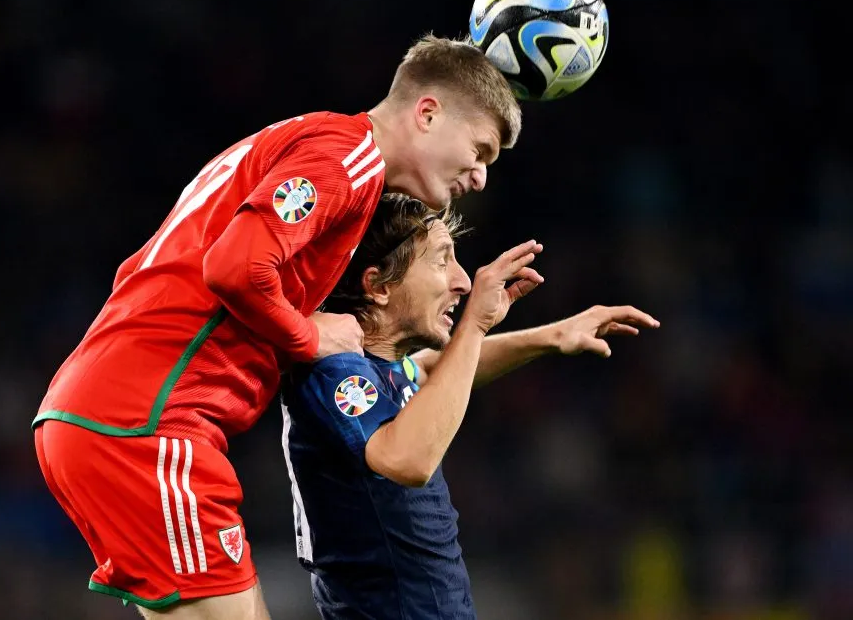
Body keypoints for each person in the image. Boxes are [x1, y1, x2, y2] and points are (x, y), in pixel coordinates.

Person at [31, 35, 522, 618]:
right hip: (148, 424)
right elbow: (235, 267)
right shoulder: (345, 157)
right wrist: (311, 335)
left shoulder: (319, 151)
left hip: (120, 416)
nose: (480, 176)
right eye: (480, 150)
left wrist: (545, 338)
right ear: (427, 113)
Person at [280, 193, 660, 619]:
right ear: (380, 287)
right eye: (443, 261)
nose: (462, 281)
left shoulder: (380, 368)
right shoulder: (333, 373)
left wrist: (553, 337)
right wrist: (474, 326)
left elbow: (430, 369)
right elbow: (408, 459)